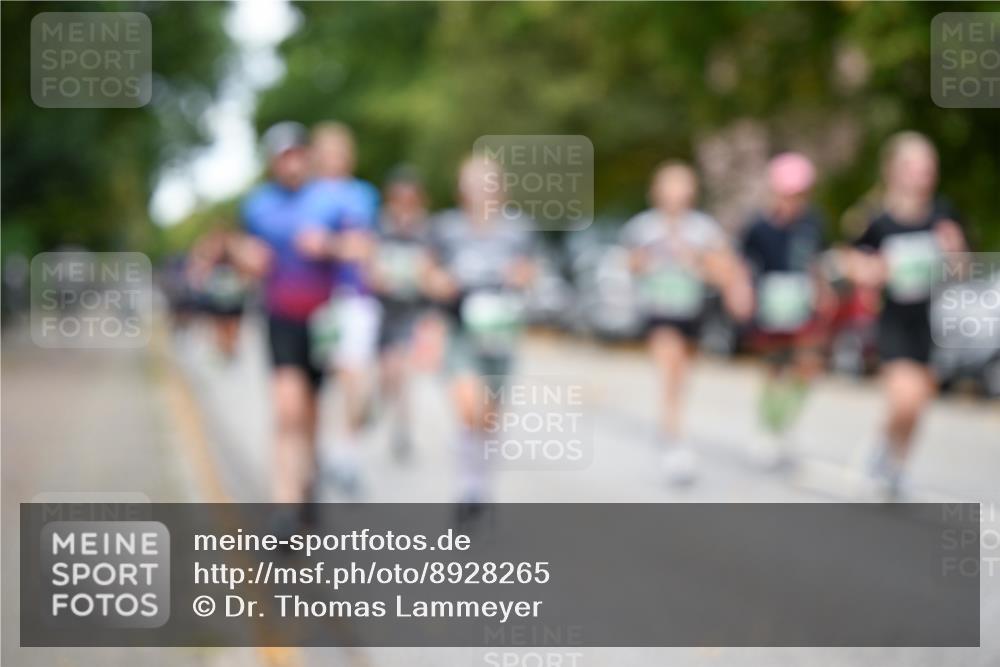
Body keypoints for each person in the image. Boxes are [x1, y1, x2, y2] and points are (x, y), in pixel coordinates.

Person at [841, 131, 966, 499]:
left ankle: (895, 463)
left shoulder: (943, 215)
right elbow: (848, 261)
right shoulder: (877, 220)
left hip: (931, 320)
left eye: (929, 168)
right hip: (892, 318)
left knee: (918, 404)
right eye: (915, 168)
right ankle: (880, 449)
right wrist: (870, 270)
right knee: (904, 397)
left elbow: (961, 270)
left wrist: (955, 250)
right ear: (895, 171)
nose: (924, 176)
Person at [621, 161, 751, 485]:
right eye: (670, 187)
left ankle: (669, 430)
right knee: (670, 371)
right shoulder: (644, 228)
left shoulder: (703, 229)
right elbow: (630, 265)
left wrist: (695, 260)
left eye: (682, 187)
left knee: (681, 378)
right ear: (658, 191)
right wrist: (650, 260)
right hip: (659, 311)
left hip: (692, 311)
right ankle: (675, 442)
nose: (676, 194)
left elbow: (723, 272)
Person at [425, 156, 536, 526]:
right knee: (468, 406)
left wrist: (518, 277)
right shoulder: (446, 228)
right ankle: (465, 486)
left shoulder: (518, 228)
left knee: (489, 417)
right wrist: (441, 282)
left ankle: (479, 485)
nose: (482, 189)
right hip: (461, 330)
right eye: (474, 182)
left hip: (500, 333)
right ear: (463, 189)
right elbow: (427, 272)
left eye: (488, 182)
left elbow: (529, 271)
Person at [230, 121, 332, 524]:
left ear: (308, 157)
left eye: (297, 154)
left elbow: (362, 249)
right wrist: (245, 256)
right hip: (280, 317)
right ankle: (284, 505)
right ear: (273, 162)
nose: (291, 164)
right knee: (287, 408)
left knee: (309, 411)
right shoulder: (256, 205)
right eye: (283, 157)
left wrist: (330, 246)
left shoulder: (330, 200)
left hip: (323, 322)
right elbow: (240, 252)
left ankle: (308, 480)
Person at [298, 122, 380, 496]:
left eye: (340, 152)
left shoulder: (364, 194)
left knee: (355, 378)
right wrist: (341, 245)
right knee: (317, 385)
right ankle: (315, 456)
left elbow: (367, 246)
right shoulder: (307, 195)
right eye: (327, 152)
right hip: (315, 301)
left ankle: (346, 454)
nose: (334, 159)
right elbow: (307, 243)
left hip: (356, 298)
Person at [741, 152, 833, 469]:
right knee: (773, 368)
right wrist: (746, 295)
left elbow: (818, 261)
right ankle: (768, 427)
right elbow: (745, 266)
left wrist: (823, 292)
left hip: (802, 304)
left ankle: (785, 424)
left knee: (806, 366)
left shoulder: (813, 223)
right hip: (770, 305)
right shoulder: (757, 226)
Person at [367, 167, 437, 461]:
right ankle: (380, 404)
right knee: (388, 372)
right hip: (382, 310)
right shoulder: (380, 226)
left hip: (411, 311)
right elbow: (368, 263)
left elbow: (433, 268)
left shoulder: (426, 230)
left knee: (403, 371)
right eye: (400, 197)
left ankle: (402, 430)